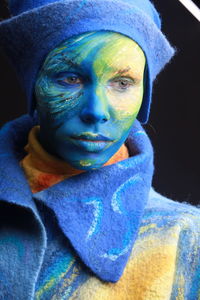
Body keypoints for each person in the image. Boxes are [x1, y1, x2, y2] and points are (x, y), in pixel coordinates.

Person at [0, 0, 199, 299]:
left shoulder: (182, 238)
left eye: (122, 82)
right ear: (33, 85)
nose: (96, 111)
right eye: (69, 78)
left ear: (144, 95)